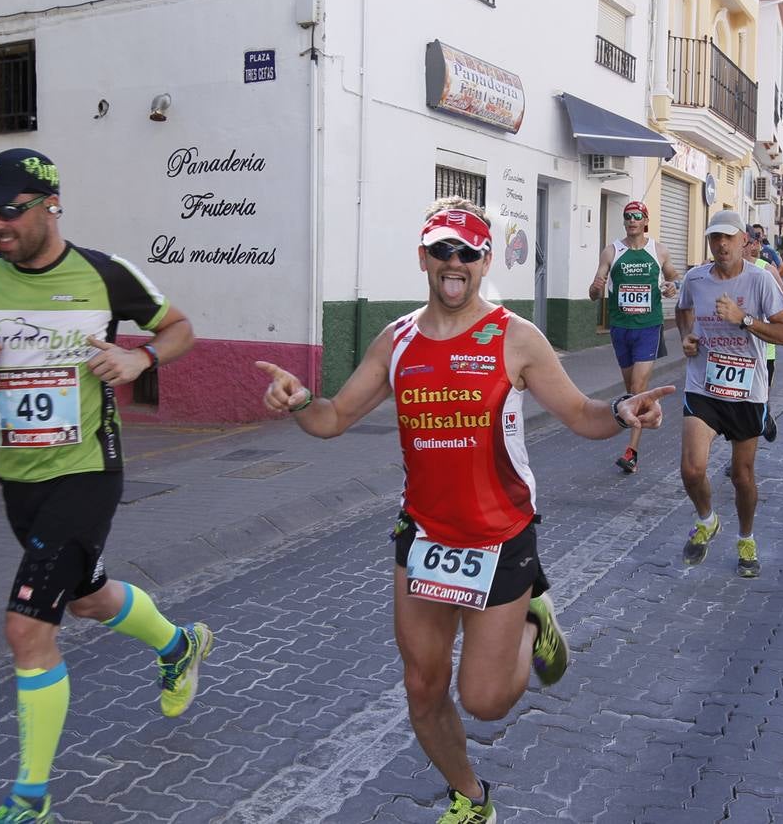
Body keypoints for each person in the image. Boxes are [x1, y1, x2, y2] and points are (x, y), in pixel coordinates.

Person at [255, 198, 673, 823]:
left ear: (483, 262)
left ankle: (535, 623)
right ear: (423, 257)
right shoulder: (396, 341)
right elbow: (334, 417)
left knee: (482, 701)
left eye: (468, 253)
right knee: (423, 688)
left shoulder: (515, 337)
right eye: (443, 251)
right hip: (423, 536)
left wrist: (620, 412)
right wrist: (298, 401)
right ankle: (472, 799)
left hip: (500, 536)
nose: (455, 263)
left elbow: (581, 412)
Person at [0, 149, 209, 823]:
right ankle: (179, 646)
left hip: (88, 469)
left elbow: (179, 329)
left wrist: (137, 355)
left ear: (48, 204)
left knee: (27, 627)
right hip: (19, 478)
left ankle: (31, 799)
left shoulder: (104, 274)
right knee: (85, 597)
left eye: (6, 211)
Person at [677, 211, 783, 576]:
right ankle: (707, 520)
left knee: (742, 476)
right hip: (704, 385)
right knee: (692, 468)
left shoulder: (761, 280)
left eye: (728, 238)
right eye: (715, 238)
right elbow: (683, 311)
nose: (722, 245)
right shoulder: (695, 278)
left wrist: (743, 319)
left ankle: (746, 538)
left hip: (747, 390)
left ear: (744, 240)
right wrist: (687, 337)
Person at [588, 200, 681, 474]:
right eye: (628, 216)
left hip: (649, 327)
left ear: (645, 221)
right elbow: (594, 292)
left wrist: (671, 286)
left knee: (638, 388)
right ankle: (650, 406)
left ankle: (632, 452)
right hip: (620, 328)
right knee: (631, 390)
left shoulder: (658, 251)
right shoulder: (611, 251)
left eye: (637, 216)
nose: (631, 221)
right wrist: (595, 288)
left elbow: (675, 278)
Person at [747, 225, 783, 442]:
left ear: (754, 245)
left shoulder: (767, 270)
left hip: (763, 349)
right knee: (737, 403)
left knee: (758, 400)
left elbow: (782, 311)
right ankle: (739, 454)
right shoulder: (719, 269)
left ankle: (765, 413)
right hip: (732, 349)